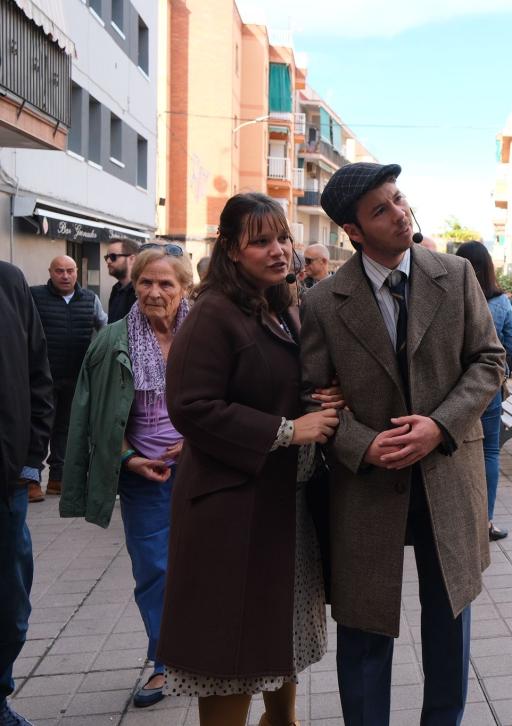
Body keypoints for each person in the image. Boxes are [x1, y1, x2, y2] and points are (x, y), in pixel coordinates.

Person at [301, 162, 505, 725]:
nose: (399, 214)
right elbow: (312, 396)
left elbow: (490, 362)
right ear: (354, 232)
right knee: (365, 630)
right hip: (367, 488)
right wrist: (361, 444)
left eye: (399, 199)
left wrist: (439, 425)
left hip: (446, 475)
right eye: (380, 210)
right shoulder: (323, 302)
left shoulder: (456, 275)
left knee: (449, 621)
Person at [158, 193, 341, 725]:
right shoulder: (213, 312)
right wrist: (288, 430)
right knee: (230, 652)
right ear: (231, 251)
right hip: (231, 515)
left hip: (280, 506)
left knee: (273, 640)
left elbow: (286, 382)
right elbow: (190, 408)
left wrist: (326, 398)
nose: (279, 250)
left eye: (282, 237)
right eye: (260, 241)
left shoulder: (282, 304)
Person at [60, 245, 193, 708]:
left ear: (185, 288)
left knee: (207, 564)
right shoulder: (111, 339)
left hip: (204, 471)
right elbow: (94, 414)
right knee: (154, 568)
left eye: (165, 284)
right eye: (145, 283)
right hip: (144, 476)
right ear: (133, 285)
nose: (154, 292)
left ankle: (206, 653)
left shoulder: (205, 334)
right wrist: (128, 458)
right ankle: (164, 662)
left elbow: (234, 396)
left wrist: (197, 442)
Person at [0, 262, 53, 726]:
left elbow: (38, 373)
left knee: (11, 607)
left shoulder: (8, 282)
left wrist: (30, 456)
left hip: (8, 484)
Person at [455, 241, 512, 542]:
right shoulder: (500, 302)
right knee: (489, 451)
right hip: (488, 387)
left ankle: (456, 520)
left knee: (454, 450)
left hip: (453, 388)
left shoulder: (449, 297)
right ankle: (486, 521)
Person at [29, 255, 107, 500]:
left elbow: (105, 329)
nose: (65, 276)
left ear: (76, 273)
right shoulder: (35, 296)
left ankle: (57, 480)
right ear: (50, 272)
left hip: (75, 376)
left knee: (65, 428)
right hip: (42, 376)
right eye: (60, 271)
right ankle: (31, 478)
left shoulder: (89, 299)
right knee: (38, 426)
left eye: (70, 271)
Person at [105, 238, 139, 323]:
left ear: (132, 259)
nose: (108, 261)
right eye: (107, 257)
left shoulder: (139, 291)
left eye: (113, 257)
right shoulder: (116, 290)